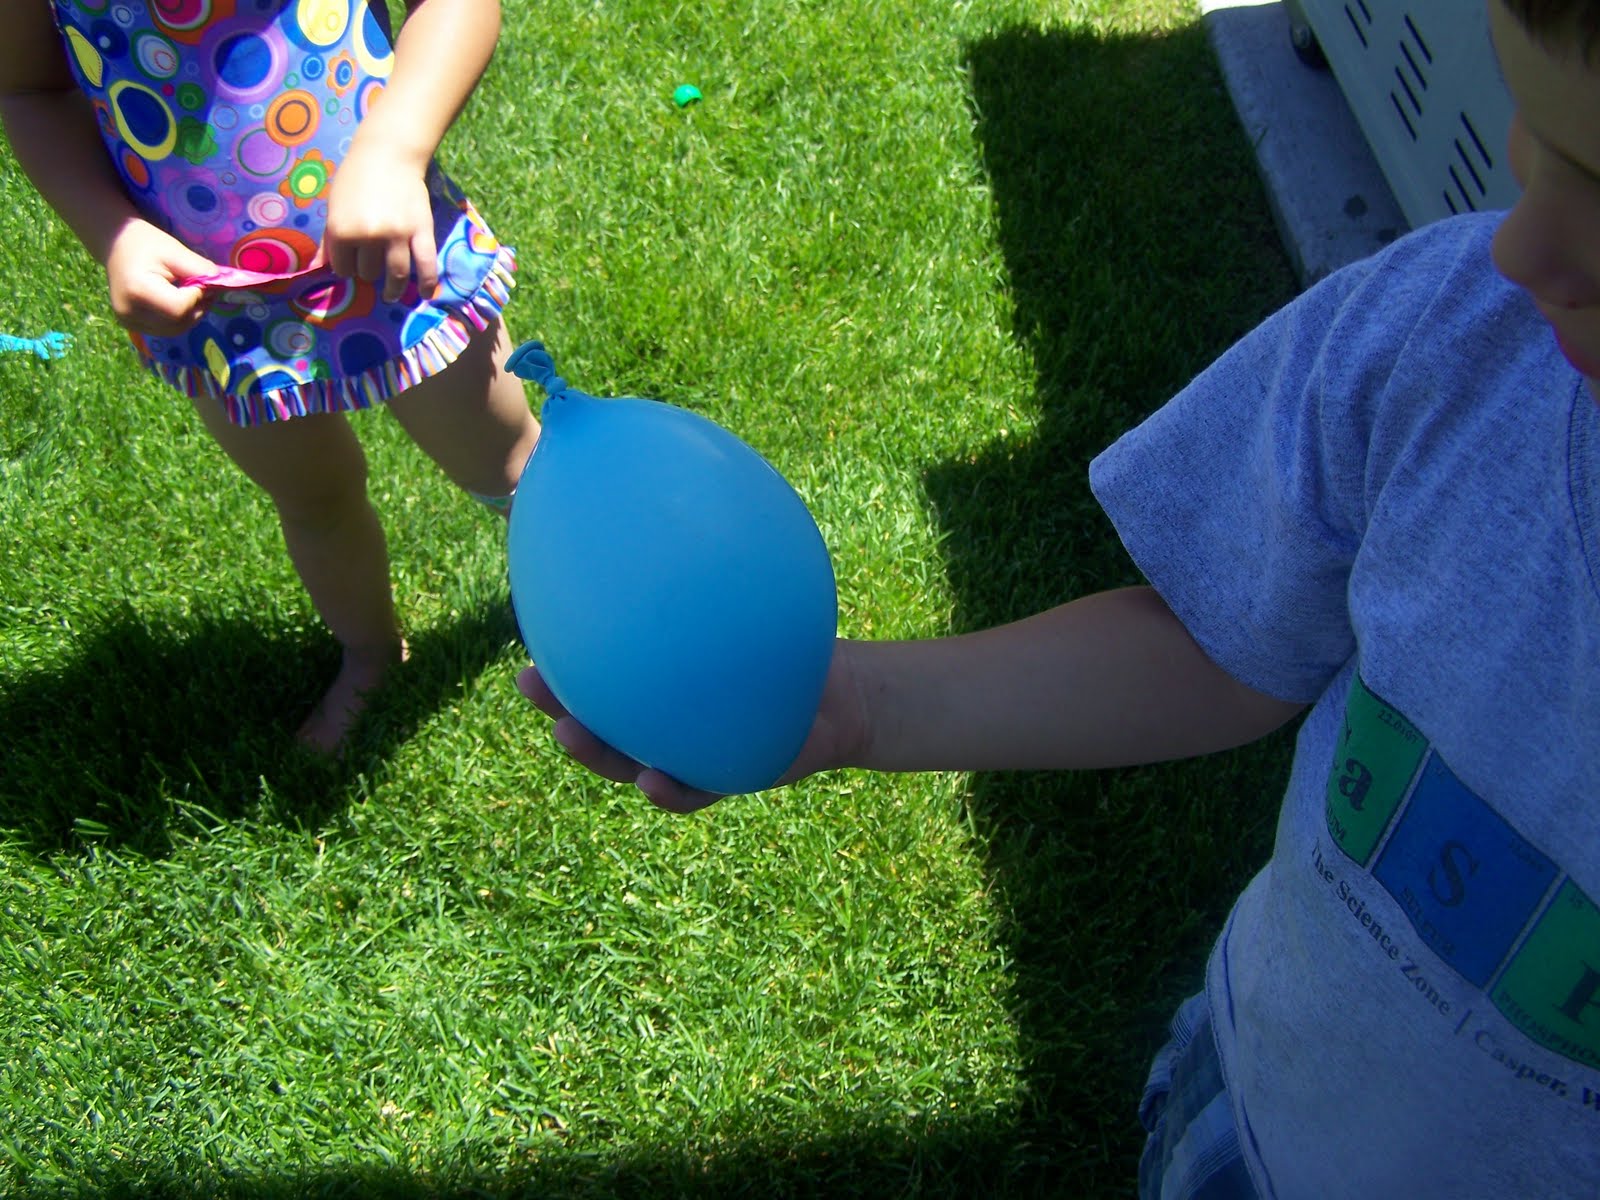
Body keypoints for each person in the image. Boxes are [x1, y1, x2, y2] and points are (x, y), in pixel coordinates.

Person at [516, 1, 1600, 1194]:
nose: (1525, 248)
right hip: (1258, 1103)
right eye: (1534, 135)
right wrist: (858, 705)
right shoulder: (1441, 343)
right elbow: (1223, 644)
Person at [0, 0, 540, 752]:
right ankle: (371, 654)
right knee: (313, 499)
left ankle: (602, 603)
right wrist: (113, 235)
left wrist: (393, 152)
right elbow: (29, 88)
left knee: (508, 466)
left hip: (397, 253)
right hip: (221, 308)